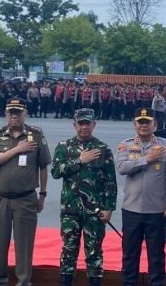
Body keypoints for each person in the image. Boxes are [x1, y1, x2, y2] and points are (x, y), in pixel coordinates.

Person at [0, 97, 51, 286]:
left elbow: (43, 166)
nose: (14, 116)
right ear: (6, 114)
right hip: (0, 198)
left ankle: (23, 282)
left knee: (24, 244)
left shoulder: (36, 135)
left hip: (25, 198)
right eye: (11, 113)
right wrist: (16, 150)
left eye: (18, 113)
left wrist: (43, 194)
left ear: (25, 114)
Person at [115, 107, 166, 286]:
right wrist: (147, 159)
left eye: (147, 122)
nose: (143, 125)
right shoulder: (126, 145)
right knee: (130, 254)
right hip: (131, 210)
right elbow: (122, 168)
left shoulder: (165, 147)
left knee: (156, 255)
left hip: (156, 210)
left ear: (155, 124)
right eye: (140, 122)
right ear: (134, 124)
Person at [51, 108, 117, 286]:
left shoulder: (103, 149)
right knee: (68, 250)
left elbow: (110, 182)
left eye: (88, 123)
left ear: (94, 125)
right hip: (70, 209)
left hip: (94, 211)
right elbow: (56, 172)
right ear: (74, 125)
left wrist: (109, 208)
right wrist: (79, 161)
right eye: (81, 123)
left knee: (94, 251)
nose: (84, 127)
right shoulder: (64, 147)